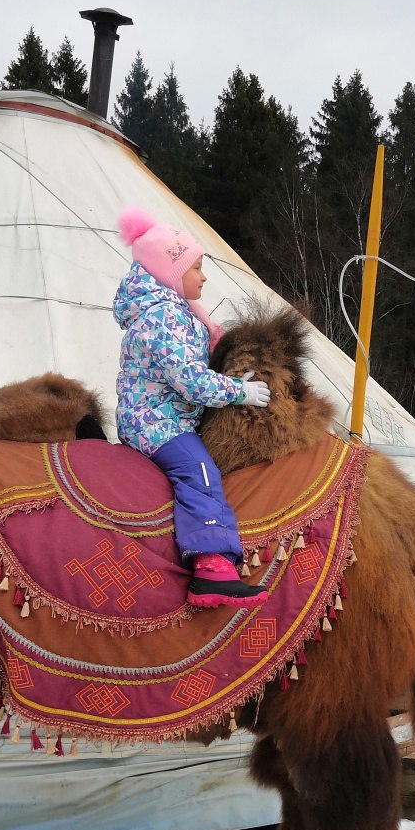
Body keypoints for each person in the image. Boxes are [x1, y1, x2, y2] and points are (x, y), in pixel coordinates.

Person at [113, 206, 271, 609]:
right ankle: (211, 567)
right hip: (159, 423)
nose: (203, 276)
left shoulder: (168, 313)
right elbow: (191, 380)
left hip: (154, 416)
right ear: (171, 271)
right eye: (196, 267)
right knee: (199, 472)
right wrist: (240, 391)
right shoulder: (165, 317)